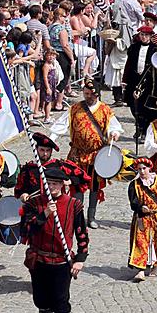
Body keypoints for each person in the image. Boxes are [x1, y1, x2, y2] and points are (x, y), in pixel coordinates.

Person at [20, 168, 88, 313]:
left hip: (61, 261)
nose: (52, 187)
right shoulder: (34, 204)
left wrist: (80, 259)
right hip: (39, 259)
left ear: (62, 185)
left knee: (60, 300)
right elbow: (26, 229)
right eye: (49, 183)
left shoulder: (74, 205)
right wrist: (45, 214)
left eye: (55, 184)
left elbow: (81, 234)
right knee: (42, 300)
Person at [50, 79, 123, 229]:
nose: (87, 96)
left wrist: (114, 133)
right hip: (77, 154)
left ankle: (91, 217)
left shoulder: (105, 110)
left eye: (90, 94)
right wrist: (50, 141)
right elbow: (61, 125)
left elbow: (114, 127)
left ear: (96, 94)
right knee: (77, 186)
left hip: (96, 156)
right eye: (85, 93)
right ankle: (78, 216)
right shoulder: (75, 109)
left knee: (94, 187)